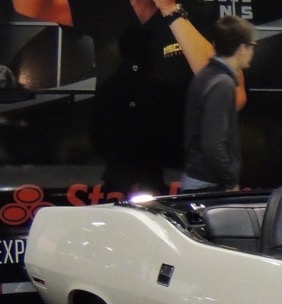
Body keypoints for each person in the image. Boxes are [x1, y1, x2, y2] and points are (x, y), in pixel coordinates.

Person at [13, 0, 246, 195]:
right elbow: (29, 6)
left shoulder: (199, 9)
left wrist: (170, 11)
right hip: (116, 173)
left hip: (184, 172)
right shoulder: (104, 7)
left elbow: (234, 96)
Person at [180, 16, 256, 191]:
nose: (252, 52)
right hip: (208, 183)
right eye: (251, 46)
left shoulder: (206, 75)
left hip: (198, 177)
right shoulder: (223, 84)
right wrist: (231, 180)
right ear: (241, 48)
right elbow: (212, 143)